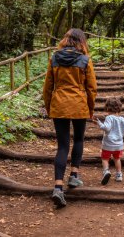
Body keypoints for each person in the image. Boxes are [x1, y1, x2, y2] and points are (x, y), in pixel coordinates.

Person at [43, 28, 97, 207]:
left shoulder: (54, 58)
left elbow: (48, 86)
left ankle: (58, 187)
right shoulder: (85, 60)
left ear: (65, 40)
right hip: (79, 104)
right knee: (79, 139)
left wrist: (49, 105)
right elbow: (91, 88)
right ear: (81, 41)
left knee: (62, 145)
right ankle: (74, 175)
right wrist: (91, 108)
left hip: (59, 104)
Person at [93, 97, 124, 185]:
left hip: (108, 144)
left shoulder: (109, 118)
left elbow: (106, 128)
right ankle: (119, 175)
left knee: (105, 158)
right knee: (117, 159)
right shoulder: (122, 119)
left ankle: (106, 171)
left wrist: (98, 123)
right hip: (118, 145)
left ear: (107, 108)